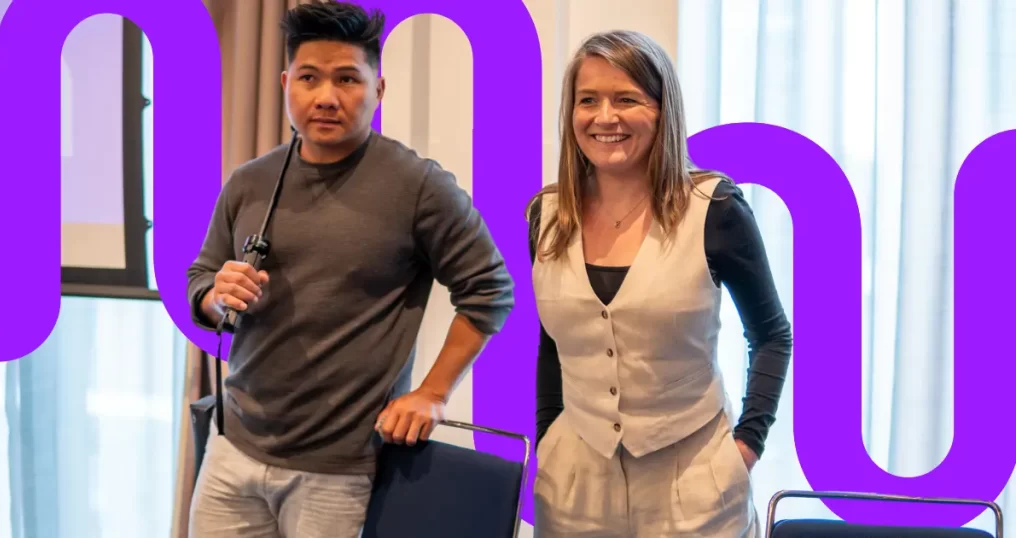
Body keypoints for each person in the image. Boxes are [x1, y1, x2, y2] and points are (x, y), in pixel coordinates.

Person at [184, 2, 515, 536]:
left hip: (339, 473)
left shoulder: (418, 186)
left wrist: (432, 393)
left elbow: (490, 291)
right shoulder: (250, 181)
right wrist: (216, 296)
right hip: (232, 451)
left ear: (378, 90)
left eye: (347, 79)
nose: (327, 97)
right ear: (286, 83)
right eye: (310, 79)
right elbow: (200, 279)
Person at [528, 30, 793, 537]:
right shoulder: (547, 214)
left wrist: (747, 446)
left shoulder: (715, 209)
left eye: (627, 99)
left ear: (662, 108)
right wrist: (546, 436)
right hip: (573, 485)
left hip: (694, 483)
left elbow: (771, 336)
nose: (605, 117)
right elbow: (550, 344)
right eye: (589, 100)